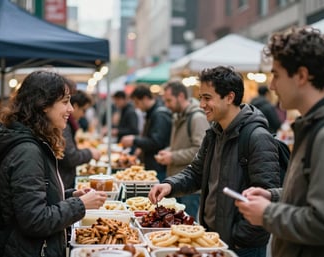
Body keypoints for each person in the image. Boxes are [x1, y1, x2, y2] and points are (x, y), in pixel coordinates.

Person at [148, 66, 280, 257]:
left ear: (229, 97)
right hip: (212, 240)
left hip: (242, 247)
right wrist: (169, 185)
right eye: (201, 97)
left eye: (207, 98)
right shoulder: (213, 134)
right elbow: (196, 172)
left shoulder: (257, 137)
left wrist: (237, 237)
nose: (201, 104)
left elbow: (265, 197)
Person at [235, 27, 324, 257]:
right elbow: (312, 193)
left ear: (301, 76)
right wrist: (273, 196)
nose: (272, 86)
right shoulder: (314, 126)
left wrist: (267, 213)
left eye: (276, 75)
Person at [0, 70, 107, 257]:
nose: (71, 109)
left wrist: (70, 195)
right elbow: (35, 220)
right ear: (43, 105)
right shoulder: (27, 152)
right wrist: (79, 205)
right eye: (65, 102)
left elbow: (33, 198)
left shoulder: (33, 142)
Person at [155, 81, 209, 219]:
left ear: (180, 96)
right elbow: (179, 145)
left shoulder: (197, 118)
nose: (166, 105)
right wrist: (168, 151)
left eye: (169, 100)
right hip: (177, 183)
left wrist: (172, 156)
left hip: (191, 187)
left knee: (187, 226)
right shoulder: (178, 116)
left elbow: (200, 150)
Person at [120, 84, 172, 182]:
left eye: (137, 102)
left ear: (144, 98)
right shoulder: (153, 112)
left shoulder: (159, 114)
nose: (136, 106)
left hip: (159, 167)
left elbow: (156, 141)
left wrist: (134, 140)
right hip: (155, 164)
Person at [58, 89, 101, 190]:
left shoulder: (68, 126)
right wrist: (90, 153)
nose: (83, 115)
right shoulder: (64, 127)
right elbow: (70, 157)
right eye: (84, 110)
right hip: (65, 182)